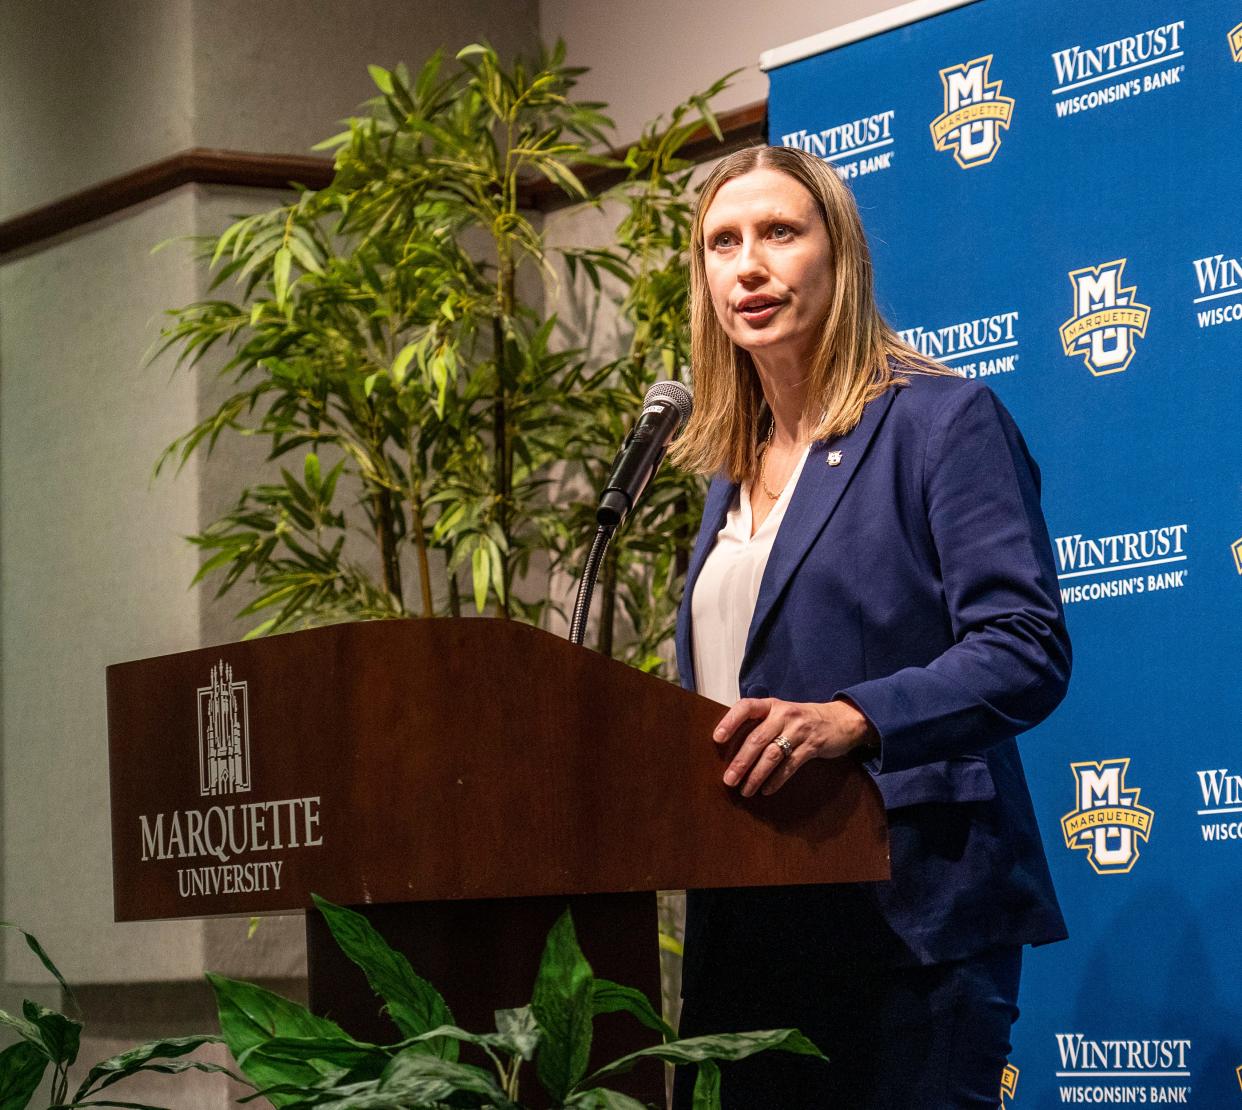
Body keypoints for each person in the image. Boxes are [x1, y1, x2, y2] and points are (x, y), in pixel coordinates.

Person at [667, 145, 1071, 1109]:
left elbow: (1025, 645)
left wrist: (852, 717)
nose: (748, 265)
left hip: (909, 921)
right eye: (723, 242)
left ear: (837, 256)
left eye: (778, 233)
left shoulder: (941, 422)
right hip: (748, 921)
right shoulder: (729, 471)